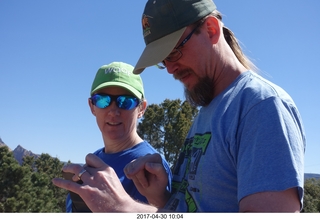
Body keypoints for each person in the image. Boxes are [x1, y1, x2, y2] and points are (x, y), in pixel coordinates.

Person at [53, 0, 306, 212]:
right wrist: (161, 198)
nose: (170, 69)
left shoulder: (260, 107)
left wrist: (126, 210)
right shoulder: (208, 111)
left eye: (173, 53)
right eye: (163, 61)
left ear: (210, 29)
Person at [64, 61, 172, 212]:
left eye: (126, 101)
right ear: (92, 106)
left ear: (141, 108)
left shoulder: (152, 168)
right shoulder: (93, 162)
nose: (113, 111)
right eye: (103, 100)